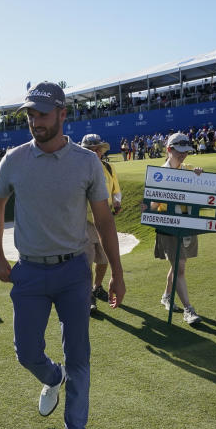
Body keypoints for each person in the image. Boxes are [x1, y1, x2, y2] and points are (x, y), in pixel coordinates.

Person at [0, 82, 125, 429]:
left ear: (63, 114)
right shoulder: (13, 159)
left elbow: (103, 221)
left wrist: (116, 272)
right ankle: (52, 376)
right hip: (28, 270)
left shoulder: (87, 162)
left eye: (43, 114)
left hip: (73, 271)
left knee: (79, 354)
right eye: (30, 114)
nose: (35, 121)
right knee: (26, 352)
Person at [153, 133, 203, 325]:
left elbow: (202, 193)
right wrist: (148, 206)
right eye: (179, 151)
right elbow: (153, 205)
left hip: (186, 225)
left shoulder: (190, 170)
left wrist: (199, 177)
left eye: (185, 152)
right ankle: (189, 310)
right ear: (169, 150)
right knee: (179, 266)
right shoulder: (160, 174)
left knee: (178, 265)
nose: (183, 155)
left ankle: (166, 296)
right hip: (168, 227)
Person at [79, 134, 122, 313]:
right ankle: (87, 294)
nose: (95, 152)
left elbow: (116, 189)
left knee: (104, 259)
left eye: (98, 149)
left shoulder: (108, 167)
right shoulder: (77, 169)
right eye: (90, 150)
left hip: (105, 221)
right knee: (87, 260)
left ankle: (97, 287)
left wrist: (117, 201)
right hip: (85, 221)